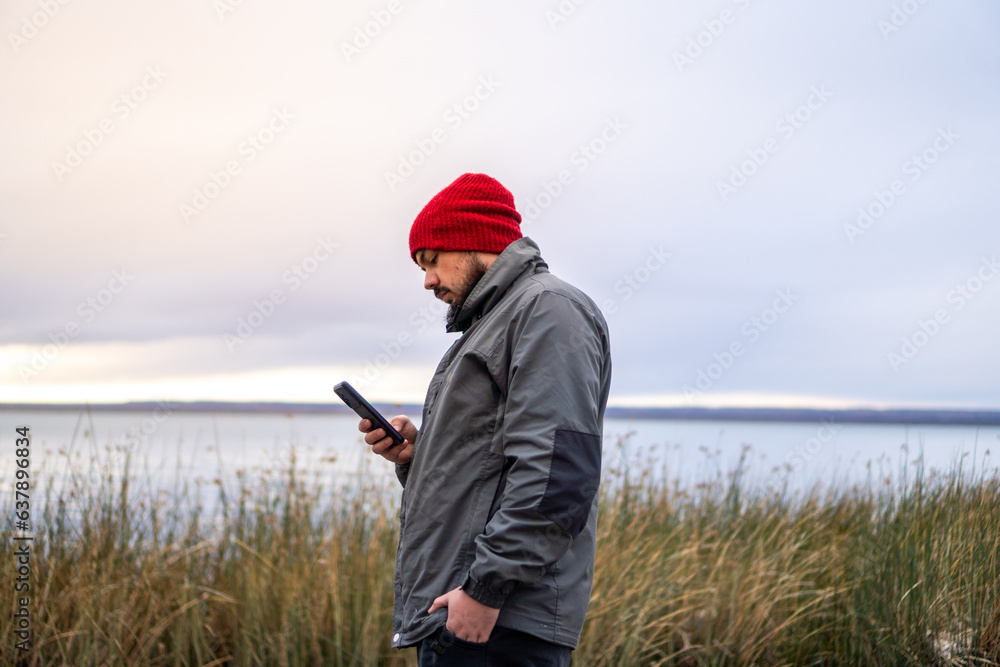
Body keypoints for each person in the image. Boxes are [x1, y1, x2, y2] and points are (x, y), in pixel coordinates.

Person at [358, 173, 612, 666]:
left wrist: (486, 590)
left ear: (477, 241)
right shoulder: (494, 324)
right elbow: (487, 472)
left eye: (432, 260)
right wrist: (416, 457)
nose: (427, 280)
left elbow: (559, 474)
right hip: (461, 613)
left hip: (499, 621)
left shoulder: (547, 310)